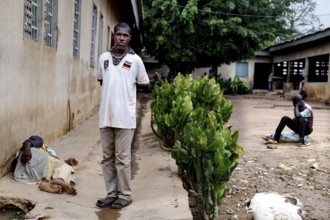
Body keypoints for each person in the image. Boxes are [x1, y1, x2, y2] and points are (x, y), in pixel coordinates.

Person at [96, 22, 150, 209]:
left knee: (122, 159)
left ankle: (125, 195)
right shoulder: (103, 58)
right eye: (118, 34)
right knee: (107, 158)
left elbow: (144, 84)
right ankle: (111, 194)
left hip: (125, 118)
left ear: (129, 39)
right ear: (113, 36)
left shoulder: (135, 61)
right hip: (105, 116)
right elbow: (103, 81)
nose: (121, 38)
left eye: (125, 35)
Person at [13, 136, 78, 195]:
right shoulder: (40, 144)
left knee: (61, 172)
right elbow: (28, 142)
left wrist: (66, 161)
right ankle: (60, 180)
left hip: (30, 171)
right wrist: (27, 149)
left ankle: (51, 185)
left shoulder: (52, 156)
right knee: (69, 171)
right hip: (32, 157)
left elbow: (54, 163)